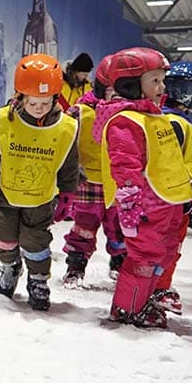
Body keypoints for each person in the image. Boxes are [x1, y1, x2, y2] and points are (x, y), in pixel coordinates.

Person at [93, 47, 192, 329]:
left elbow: (170, 159)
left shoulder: (153, 115)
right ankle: (127, 309)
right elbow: (125, 165)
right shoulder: (125, 120)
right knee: (144, 258)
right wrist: (129, 204)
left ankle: (144, 300)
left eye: (162, 80)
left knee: (161, 255)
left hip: (166, 202)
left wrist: (185, 192)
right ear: (131, 83)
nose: (162, 87)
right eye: (155, 81)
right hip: (145, 206)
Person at [0, 53, 79, 310]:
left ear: (55, 97)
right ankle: (10, 266)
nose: (39, 108)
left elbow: (69, 163)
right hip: (4, 195)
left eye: (45, 102)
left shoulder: (66, 128)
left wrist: (67, 194)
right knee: (4, 238)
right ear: (20, 96)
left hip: (41, 198)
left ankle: (38, 279)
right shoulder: (2, 121)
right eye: (33, 103)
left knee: (36, 241)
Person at [60, 54, 127, 288]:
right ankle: (75, 266)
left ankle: (120, 263)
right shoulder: (81, 112)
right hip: (88, 181)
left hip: (117, 183)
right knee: (84, 226)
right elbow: (63, 140)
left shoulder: (130, 115)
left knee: (120, 227)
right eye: (113, 90)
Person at [150, 61, 192, 315]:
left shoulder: (167, 118)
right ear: (187, 91)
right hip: (173, 200)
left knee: (165, 245)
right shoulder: (175, 122)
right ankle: (157, 287)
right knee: (168, 245)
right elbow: (170, 164)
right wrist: (189, 201)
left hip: (173, 197)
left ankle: (156, 285)